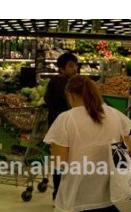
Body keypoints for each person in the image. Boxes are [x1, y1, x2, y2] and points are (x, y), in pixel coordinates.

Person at [41, 75, 131, 212]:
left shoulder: (66, 119)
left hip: (77, 192)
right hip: (111, 193)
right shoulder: (116, 116)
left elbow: (59, 163)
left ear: (71, 95)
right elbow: (127, 154)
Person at [44, 52, 78, 201]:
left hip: (58, 127)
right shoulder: (60, 83)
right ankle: (60, 194)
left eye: (76, 65)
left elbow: (46, 99)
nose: (75, 69)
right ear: (62, 68)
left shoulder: (61, 82)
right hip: (63, 128)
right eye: (71, 66)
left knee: (60, 162)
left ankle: (58, 194)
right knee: (63, 163)